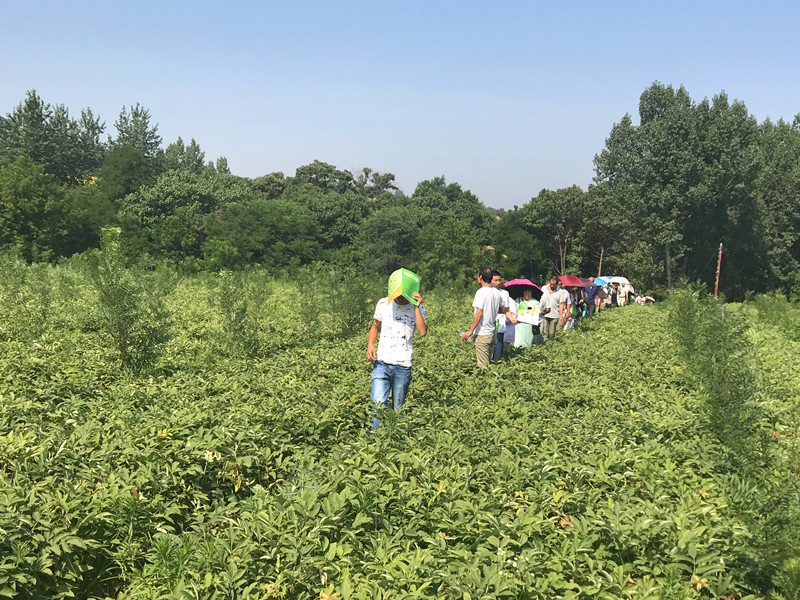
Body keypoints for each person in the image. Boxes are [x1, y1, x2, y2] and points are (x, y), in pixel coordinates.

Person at [366, 285, 427, 430]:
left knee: (398, 409)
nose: (398, 298)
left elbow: (422, 332)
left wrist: (417, 307)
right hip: (381, 363)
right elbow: (375, 326)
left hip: (403, 366)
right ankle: (375, 440)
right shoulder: (383, 303)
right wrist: (370, 344)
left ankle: (395, 438)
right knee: (377, 405)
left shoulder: (418, 308)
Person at [461, 267, 516, 368]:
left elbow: (479, 312)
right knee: (489, 363)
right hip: (492, 333)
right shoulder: (496, 292)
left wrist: (470, 331)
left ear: (480, 277)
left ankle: (486, 382)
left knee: (483, 366)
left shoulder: (481, 292)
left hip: (482, 333)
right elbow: (502, 309)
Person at [491, 270, 514, 361]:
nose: (498, 283)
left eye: (499, 280)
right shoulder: (486, 292)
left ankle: (496, 364)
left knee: (498, 345)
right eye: (495, 280)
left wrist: (512, 319)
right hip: (487, 325)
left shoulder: (504, 293)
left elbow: (507, 310)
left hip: (499, 324)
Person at [539, 276, 562, 342]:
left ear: (557, 284)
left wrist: (561, 315)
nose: (551, 286)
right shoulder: (544, 288)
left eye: (553, 285)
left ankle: (551, 345)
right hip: (544, 314)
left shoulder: (560, 291)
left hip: (554, 315)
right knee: (544, 332)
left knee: (551, 333)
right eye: (550, 284)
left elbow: (561, 304)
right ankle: (545, 345)